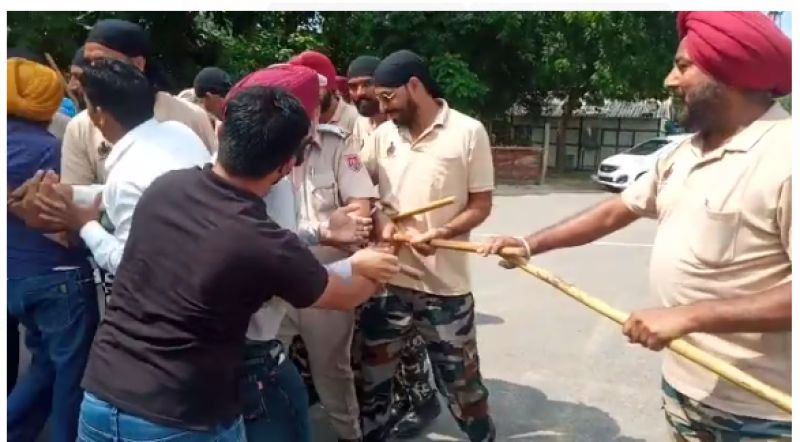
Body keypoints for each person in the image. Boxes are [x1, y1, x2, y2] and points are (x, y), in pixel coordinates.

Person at [480, 11, 792, 441]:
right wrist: (528, 243)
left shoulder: (786, 156)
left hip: (765, 413)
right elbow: (618, 210)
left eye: (683, 66)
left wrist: (688, 316)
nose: (669, 79)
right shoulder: (683, 153)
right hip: (685, 392)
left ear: (730, 70)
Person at [73, 85, 399, 442]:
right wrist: (379, 253)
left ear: (220, 132)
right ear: (289, 164)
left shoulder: (166, 188)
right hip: (181, 415)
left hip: (101, 396)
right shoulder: (263, 242)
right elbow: (344, 295)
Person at [224, 63, 383, 442]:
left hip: (323, 276)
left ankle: (348, 435)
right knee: (259, 362)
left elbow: (360, 205)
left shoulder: (336, 143)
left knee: (331, 368)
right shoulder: (253, 152)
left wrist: (353, 232)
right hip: (267, 279)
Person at [359, 49, 496, 442]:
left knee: (463, 386)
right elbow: (363, 192)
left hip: (444, 290)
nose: (382, 108)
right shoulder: (382, 135)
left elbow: (481, 204)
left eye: (388, 97)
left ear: (414, 86)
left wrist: (442, 233)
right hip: (386, 283)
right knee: (373, 381)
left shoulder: (468, 132)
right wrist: (380, 219)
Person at [35, 58, 211, 277]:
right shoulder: (180, 133)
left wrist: (84, 225)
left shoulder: (126, 176)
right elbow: (145, 189)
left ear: (98, 116)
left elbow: (131, 265)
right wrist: (74, 193)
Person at [346, 53, 440, 437]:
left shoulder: (400, 123)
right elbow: (357, 182)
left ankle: (422, 398)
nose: (362, 93)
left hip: (407, 249)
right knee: (375, 335)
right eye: (353, 86)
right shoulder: (361, 127)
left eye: (368, 84)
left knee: (402, 335)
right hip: (368, 245)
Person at [6, 52, 99, 442]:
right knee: (71, 378)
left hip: (13, 278)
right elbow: (73, 211)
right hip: (58, 279)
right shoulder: (51, 150)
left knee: (45, 363)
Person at [60, 19, 217, 186]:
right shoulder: (80, 127)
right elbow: (75, 197)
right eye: (87, 63)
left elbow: (211, 187)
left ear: (138, 64)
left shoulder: (189, 117)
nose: (90, 72)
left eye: (100, 62)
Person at [289, 50, 359, 134]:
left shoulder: (357, 122)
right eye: (301, 87)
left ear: (330, 85)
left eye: (314, 84)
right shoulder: (295, 125)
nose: (307, 92)